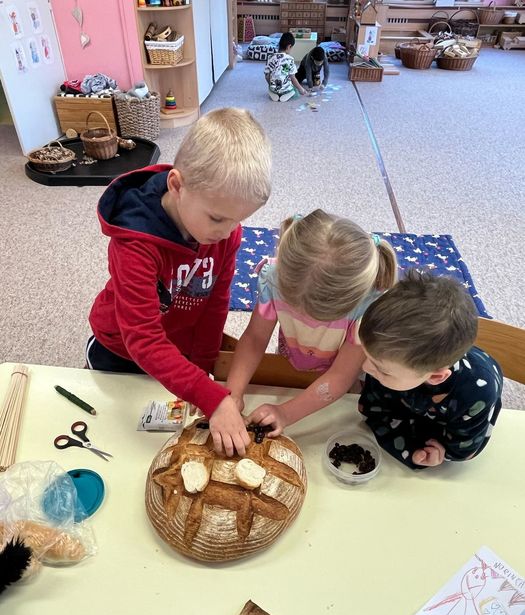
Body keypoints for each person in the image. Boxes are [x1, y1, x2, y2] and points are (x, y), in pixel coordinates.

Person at [86, 108, 272, 457]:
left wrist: (202, 371)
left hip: (177, 348)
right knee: (116, 438)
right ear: (176, 185)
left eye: (237, 221)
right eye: (217, 218)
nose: (228, 233)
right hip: (121, 351)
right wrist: (209, 395)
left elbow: (216, 303)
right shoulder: (134, 244)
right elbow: (143, 339)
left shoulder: (225, 232)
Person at [226, 210, 398, 434]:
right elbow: (255, 339)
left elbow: (340, 376)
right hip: (291, 363)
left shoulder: (367, 307)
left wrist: (286, 413)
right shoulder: (275, 277)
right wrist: (232, 394)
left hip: (342, 383)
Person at [358, 270, 503, 469]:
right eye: (367, 356)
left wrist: (436, 452)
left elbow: (464, 448)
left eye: (382, 370)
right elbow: (372, 410)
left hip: (458, 410)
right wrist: (408, 448)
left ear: (435, 377)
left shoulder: (476, 393)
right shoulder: (389, 363)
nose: (365, 368)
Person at [264, 32, 307, 102]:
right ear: (289, 46)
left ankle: (273, 92)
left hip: (274, 88)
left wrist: (270, 85)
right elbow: (293, 78)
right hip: (285, 89)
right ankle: (286, 94)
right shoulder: (290, 59)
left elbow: (266, 76)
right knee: (295, 91)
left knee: (271, 87)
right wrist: (301, 89)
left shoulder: (270, 57)